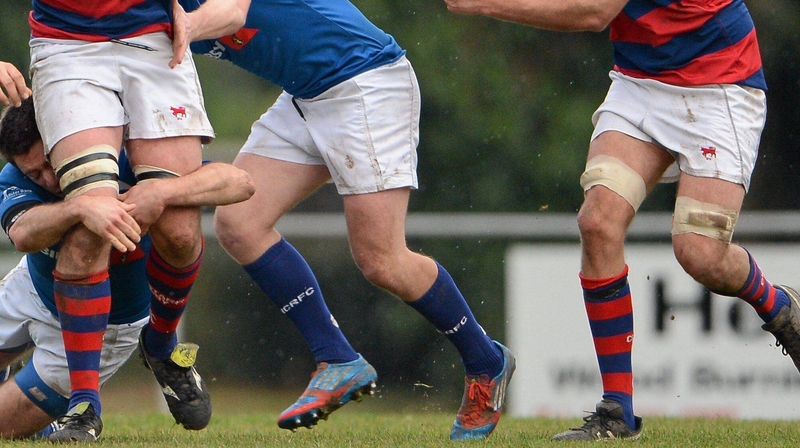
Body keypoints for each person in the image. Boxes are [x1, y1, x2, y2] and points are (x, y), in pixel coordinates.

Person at [442, 0, 799, 441]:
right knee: (597, 223)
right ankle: (618, 413)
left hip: (719, 83)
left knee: (700, 255)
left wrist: (484, 5)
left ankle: (779, 308)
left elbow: (594, 12)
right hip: (640, 83)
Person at [175, 0, 516, 440]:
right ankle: (336, 358)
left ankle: (485, 361)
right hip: (307, 94)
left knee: (382, 260)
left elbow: (235, 12)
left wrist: (183, 24)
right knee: (239, 223)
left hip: (365, 81)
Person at [26, 0, 248, 441]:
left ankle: (161, 344)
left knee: (179, 232)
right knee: (93, 221)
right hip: (67, 43)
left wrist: (194, 20)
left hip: (155, 39)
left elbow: (237, 10)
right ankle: (83, 406)